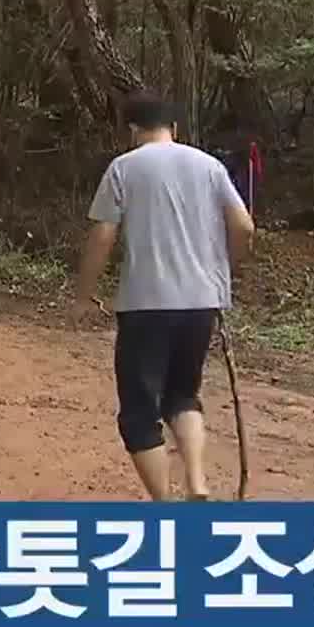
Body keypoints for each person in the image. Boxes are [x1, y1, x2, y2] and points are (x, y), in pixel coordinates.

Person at [76, 91, 256, 501]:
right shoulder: (209, 165)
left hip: (146, 304)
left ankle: (165, 504)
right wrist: (224, 272)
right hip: (202, 301)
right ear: (174, 128)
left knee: (139, 411)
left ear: (133, 129)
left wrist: (84, 296)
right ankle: (197, 482)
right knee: (182, 394)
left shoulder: (124, 167)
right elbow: (244, 227)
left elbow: (103, 236)